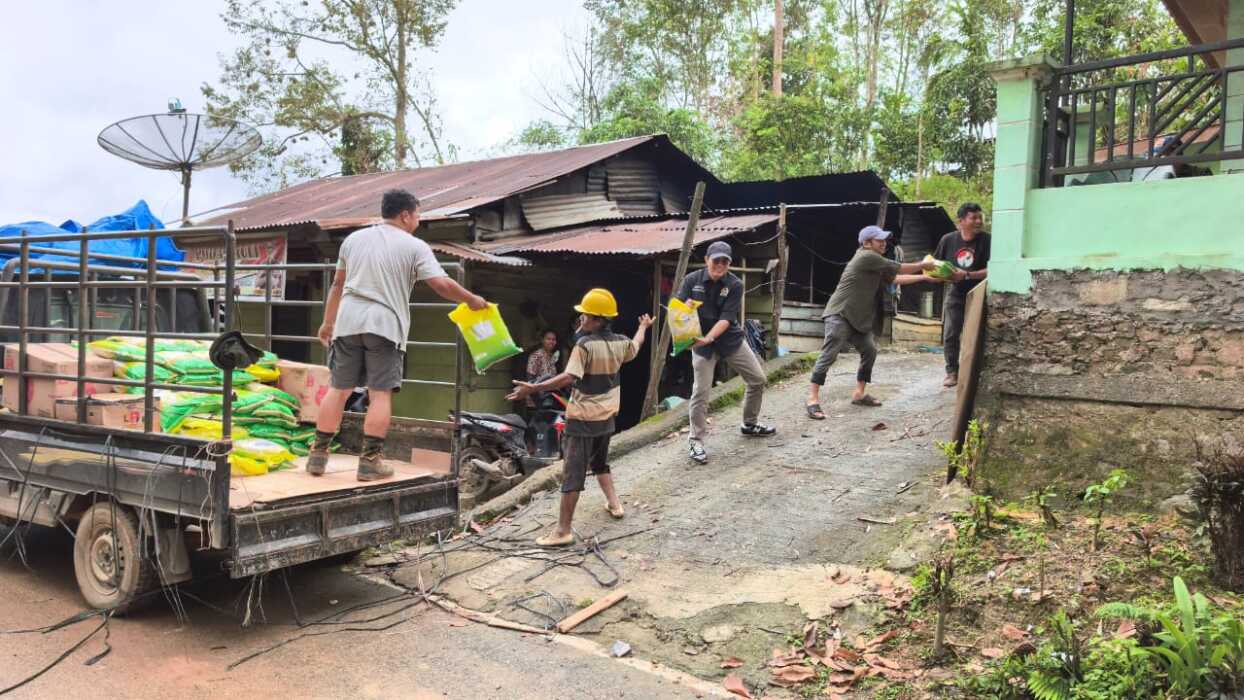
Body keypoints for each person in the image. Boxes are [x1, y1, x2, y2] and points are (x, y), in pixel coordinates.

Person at [310, 189, 487, 481]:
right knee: (379, 394)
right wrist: (471, 300)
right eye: (417, 215)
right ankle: (369, 462)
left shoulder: (353, 240)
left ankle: (317, 456)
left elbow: (337, 285)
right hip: (384, 325)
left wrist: (328, 323)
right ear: (405, 215)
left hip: (348, 321)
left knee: (338, 389)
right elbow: (441, 285)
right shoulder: (414, 246)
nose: (418, 220)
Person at [507, 289, 653, 546]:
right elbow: (637, 346)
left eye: (585, 315)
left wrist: (532, 388)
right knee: (600, 462)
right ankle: (615, 504)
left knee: (572, 474)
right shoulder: (620, 342)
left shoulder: (583, 346)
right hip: (607, 416)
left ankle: (563, 531)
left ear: (597, 319)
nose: (581, 319)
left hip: (583, 418)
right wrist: (643, 327)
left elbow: (568, 378)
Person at [805, 226, 936, 419]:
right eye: (879, 240)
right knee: (829, 354)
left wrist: (923, 277)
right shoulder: (867, 257)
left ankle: (859, 394)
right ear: (867, 243)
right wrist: (923, 265)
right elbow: (900, 267)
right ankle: (812, 399)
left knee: (870, 350)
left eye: (884, 240)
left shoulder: (876, 264)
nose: (883, 243)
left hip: (858, 318)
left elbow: (895, 278)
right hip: (840, 313)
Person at [674, 240, 774, 466]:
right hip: (700, 343)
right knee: (701, 392)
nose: (720, 264)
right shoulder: (692, 280)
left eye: (725, 261)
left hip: (729, 339)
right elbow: (677, 310)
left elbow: (727, 319)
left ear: (729, 263)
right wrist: (686, 310)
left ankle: (749, 424)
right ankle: (695, 440)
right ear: (707, 260)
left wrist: (709, 337)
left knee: (757, 379)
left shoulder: (735, 284)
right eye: (716, 260)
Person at [933, 203, 991, 388]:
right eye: (973, 218)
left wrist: (966, 274)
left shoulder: (987, 240)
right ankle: (952, 372)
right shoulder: (948, 240)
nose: (978, 221)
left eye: (979, 217)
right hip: (956, 293)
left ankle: (977, 372)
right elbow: (936, 264)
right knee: (951, 333)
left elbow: (993, 269)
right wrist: (942, 275)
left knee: (978, 333)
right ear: (961, 221)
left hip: (981, 292)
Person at [524, 329, 560, 408]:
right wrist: (537, 399)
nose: (551, 342)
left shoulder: (552, 356)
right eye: (548, 339)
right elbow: (530, 378)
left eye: (553, 339)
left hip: (549, 398)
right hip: (537, 400)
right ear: (542, 340)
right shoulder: (536, 355)